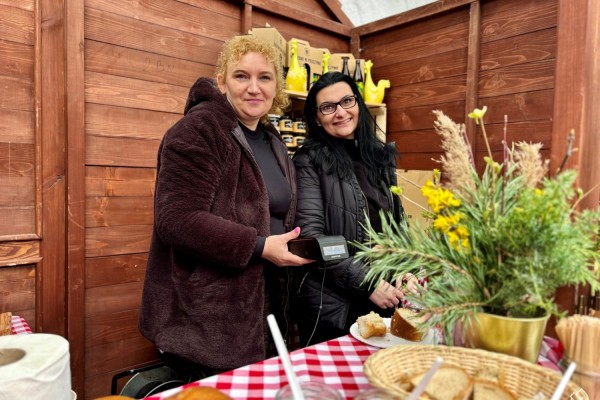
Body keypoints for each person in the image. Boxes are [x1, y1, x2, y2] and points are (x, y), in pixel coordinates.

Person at [138, 35, 313, 380]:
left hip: (265, 305)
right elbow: (176, 220)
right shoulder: (198, 131)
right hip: (210, 316)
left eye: (264, 77)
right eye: (241, 76)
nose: (254, 88)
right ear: (221, 81)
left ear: (276, 86)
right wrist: (260, 246)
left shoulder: (270, 137)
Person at [292, 72, 418, 346]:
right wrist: (367, 283)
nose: (340, 112)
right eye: (328, 107)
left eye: (347, 101)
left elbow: (398, 227)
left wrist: (406, 269)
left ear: (358, 104)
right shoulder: (310, 161)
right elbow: (313, 238)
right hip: (335, 304)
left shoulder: (380, 157)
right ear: (316, 118)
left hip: (386, 296)